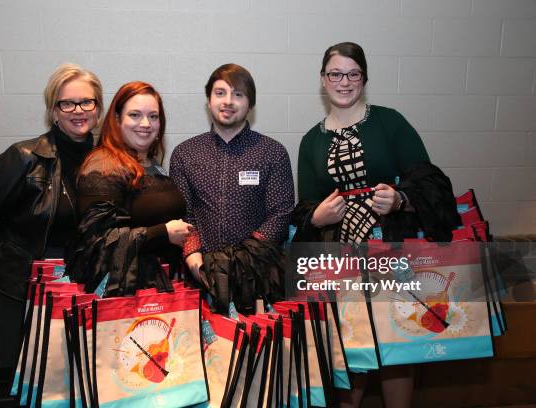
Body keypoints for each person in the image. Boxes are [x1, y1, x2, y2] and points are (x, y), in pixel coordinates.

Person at [292, 42, 456, 408]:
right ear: (323, 79)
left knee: (396, 349)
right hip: (341, 263)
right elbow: (305, 208)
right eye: (335, 73)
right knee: (349, 354)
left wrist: (400, 199)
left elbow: (433, 186)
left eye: (353, 74)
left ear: (364, 79)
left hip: (393, 257)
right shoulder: (310, 141)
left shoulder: (390, 122)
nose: (344, 81)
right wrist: (317, 217)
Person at [0, 63, 103, 369]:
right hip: (31, 291)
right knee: (33, 377)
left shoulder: (107, 159)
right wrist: (20, 256)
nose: (77, 110)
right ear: (53, 110)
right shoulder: (23, 158)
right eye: (66, 102)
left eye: (86, 101)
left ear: (98, 109)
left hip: (88, 286)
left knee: (83, 377)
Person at [170, 63, 294, 313]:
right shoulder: (185, 154)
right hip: (202, 277)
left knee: (260, 349)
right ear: (208, 100)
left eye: (238, 94)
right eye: (220, 93)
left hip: (259, 277)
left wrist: (242, 261)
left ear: (250, 104)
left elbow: (280, 214)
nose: (228, 101)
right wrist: (194, 260)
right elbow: (185, 214)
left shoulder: (272, 152)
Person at [65, 81, 192, 295]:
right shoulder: (103, 166)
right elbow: (99, 243)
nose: (146, 123)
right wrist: (163, 233)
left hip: (161, 291)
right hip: (125, 297)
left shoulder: (152, 164)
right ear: (117, 119)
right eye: (135, 115)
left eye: (153, 116)